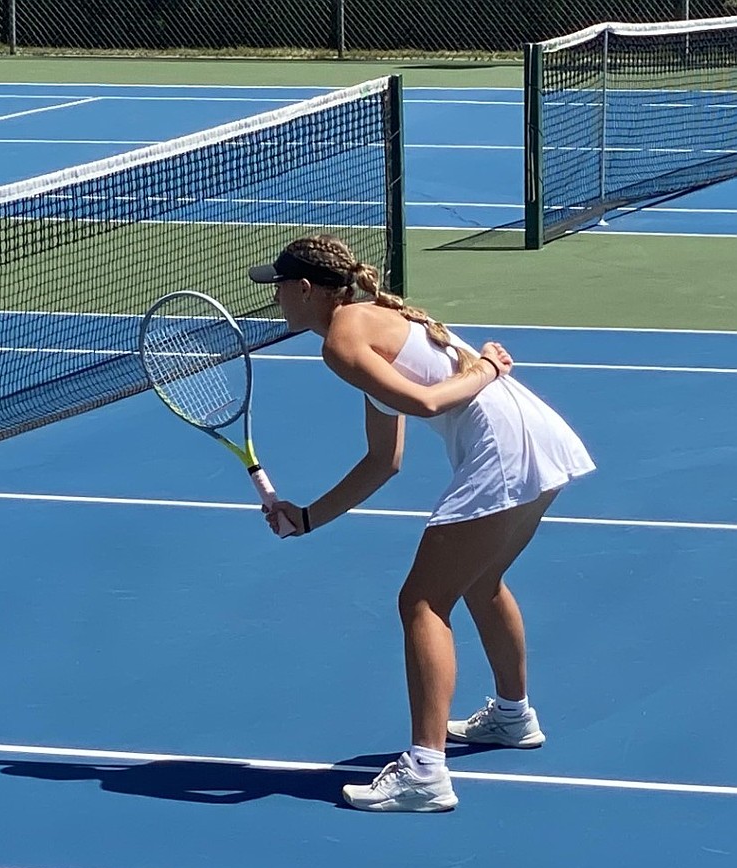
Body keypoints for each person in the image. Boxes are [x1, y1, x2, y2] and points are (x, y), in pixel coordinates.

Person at [248, 234, 595, 813]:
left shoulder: (342, 339)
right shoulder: (369, 323)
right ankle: (513, 716)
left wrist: (483, 368)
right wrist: (307, 518)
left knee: (422, 603)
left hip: (504, 452)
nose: (275, 296)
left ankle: (425, 772)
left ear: (305, 289)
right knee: (480, 584)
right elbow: (384, 460)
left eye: (279, 286)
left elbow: (428, 403)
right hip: (539, 437)